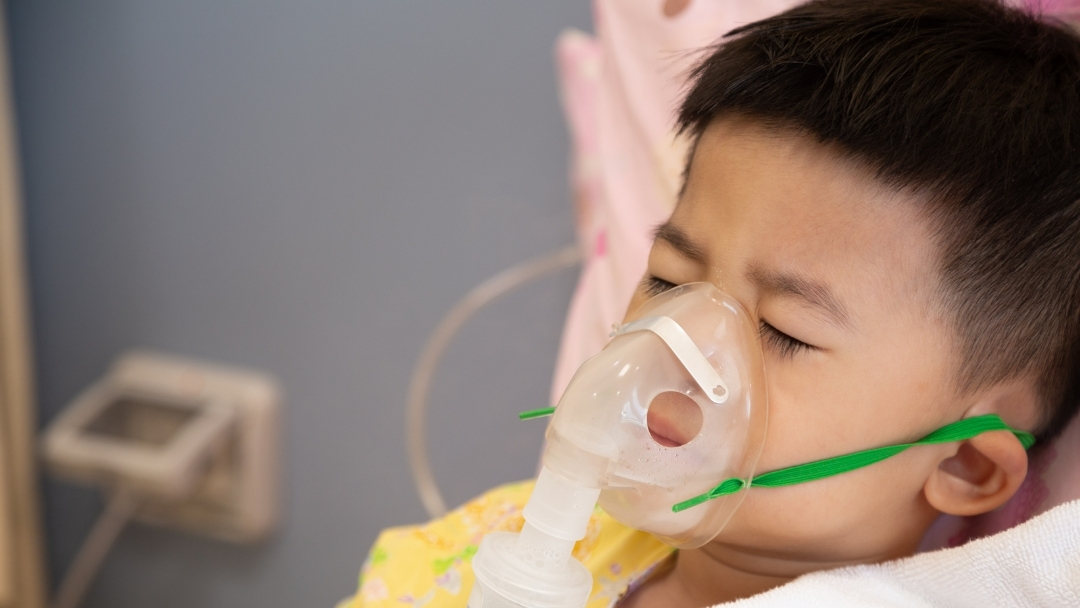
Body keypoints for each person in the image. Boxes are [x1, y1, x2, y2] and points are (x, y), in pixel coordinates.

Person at [346, 1, 1080, 606]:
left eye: (782, 331)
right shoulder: (490, 542)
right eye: (669, 279)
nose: (675, 346)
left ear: (965, 466)